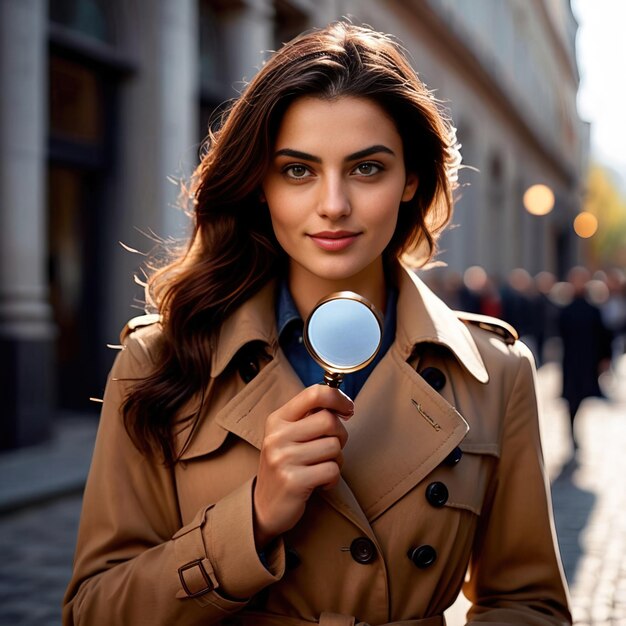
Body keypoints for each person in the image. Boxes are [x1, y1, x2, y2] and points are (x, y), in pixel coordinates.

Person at [63, 22, 571, 626]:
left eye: (367, 169)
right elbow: (93, 612)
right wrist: (250, 520)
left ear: (410, 179)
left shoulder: (494, 372)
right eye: (299, 171)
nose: (333, 204)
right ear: (261, 185)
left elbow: (529, 606)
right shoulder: (162, 358)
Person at [558, 266, 612, 451]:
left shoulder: (592, 310)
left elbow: (603, 335)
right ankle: (571, 432)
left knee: (579, 398)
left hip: (587, 361)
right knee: (571, 401)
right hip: (572, 362)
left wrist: (604, 359)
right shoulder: (566, 310)